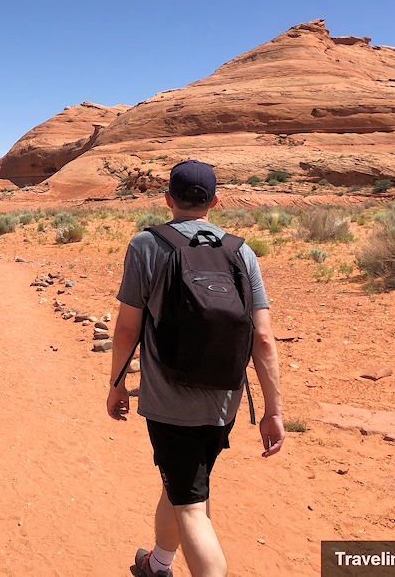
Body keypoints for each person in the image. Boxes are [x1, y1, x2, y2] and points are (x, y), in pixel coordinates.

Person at [106, 160, 284, 577]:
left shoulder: (145, 245)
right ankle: (158, 564)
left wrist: (117, 384)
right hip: (224, 399)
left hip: (170, 403)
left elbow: (127, 327)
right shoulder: (242, 252)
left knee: (192, 509)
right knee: (185, 486)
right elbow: (263, 338)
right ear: (215, 201)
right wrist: (273, 411)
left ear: (168, 199)